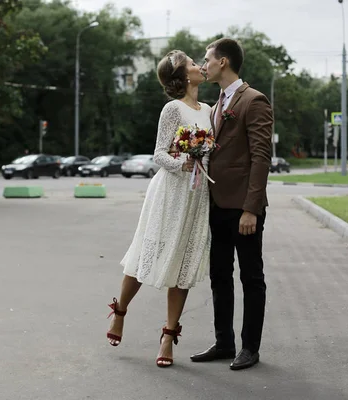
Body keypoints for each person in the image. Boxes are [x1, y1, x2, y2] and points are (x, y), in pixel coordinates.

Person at [106, 50, 211, 368]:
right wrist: (185, 160)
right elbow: (158, 155)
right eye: (193, 64)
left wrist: (203, 157)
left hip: (196, 195)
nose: (199, 66)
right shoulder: (172, 109)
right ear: (181, 76)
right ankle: (120, 311)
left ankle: (168, 335)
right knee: (147, 253)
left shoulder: (207, 109)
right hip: (169, 193)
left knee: (183, 263)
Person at [190, 38, 273, 371]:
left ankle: (250, 348)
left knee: (251, 277)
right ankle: (224, 342)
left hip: (243, 209)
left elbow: (261, 156)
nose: (203, 64)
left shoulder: (254, 100)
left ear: (223, 62)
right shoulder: (216, 105)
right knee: (219, 276)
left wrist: (251, 208)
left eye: (207, 59)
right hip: (216, 204)